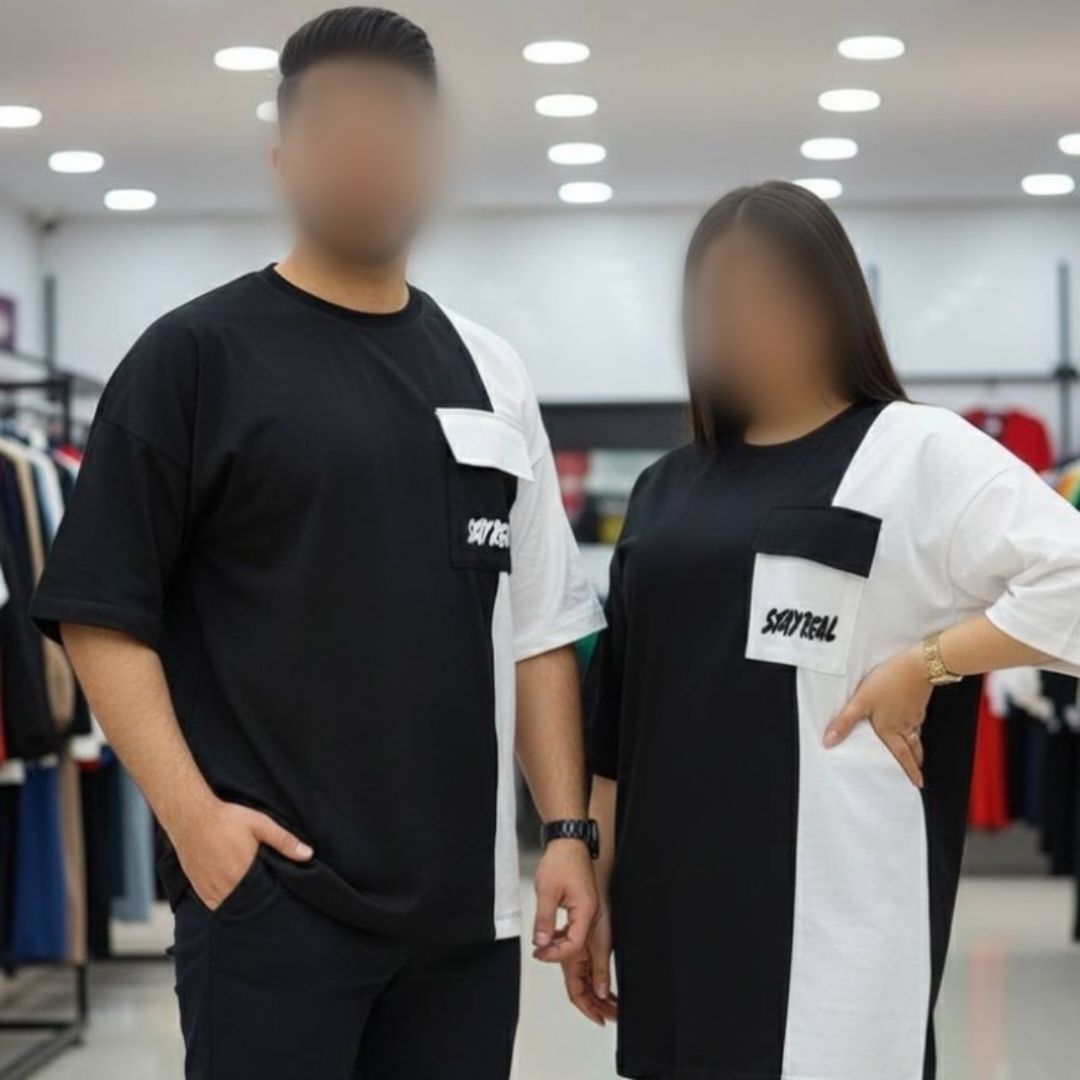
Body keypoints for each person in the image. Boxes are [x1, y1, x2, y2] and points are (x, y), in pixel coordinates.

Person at [30, 8, 605, 1079]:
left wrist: (568, 831)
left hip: (464, 919)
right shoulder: (193, 357)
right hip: (271, 906)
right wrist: (196, 823)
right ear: (285, 158)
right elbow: (101, 611)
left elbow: (540, 629)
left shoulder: (491, 370)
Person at [563, 180, 1080, 1080]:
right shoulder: (667, 489)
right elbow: (618, 728)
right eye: (720, 300)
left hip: (834, 926)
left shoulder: (914, 451)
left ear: (833, 301)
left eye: (772, 293)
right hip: (672, 914)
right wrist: (599, 885)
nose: (744, 322)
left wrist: (930, 662)